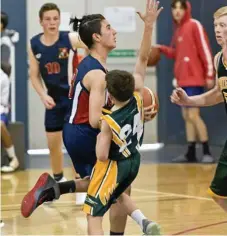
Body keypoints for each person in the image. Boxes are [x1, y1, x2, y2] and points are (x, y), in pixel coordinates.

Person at [21, 1, 162, 235]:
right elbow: (96, 119)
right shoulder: (97, 75)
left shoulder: (95, 64)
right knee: (115, 189)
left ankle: (55, 188)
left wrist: (148, 27)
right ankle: (136, 224)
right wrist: (128, 116)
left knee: (110, 185)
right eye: (109, 28)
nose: (114, 31)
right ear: (97, 37)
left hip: (78, 130)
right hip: (84, 132)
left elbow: (142, 62)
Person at [170, 6, 227, 212]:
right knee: (218, 195)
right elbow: (218, 94)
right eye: (215, 25)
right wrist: (188, 100)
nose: (217, 30)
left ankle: (203, 150)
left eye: (223, 25)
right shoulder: (219, 58)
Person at [29, 3, 85, 183]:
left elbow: (93, 44)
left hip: (72, 98)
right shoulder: (34, 44)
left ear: (60, 20)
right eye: (48, 19)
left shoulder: (70, 38)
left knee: (75, 142)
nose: (52, 23)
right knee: (53, 144)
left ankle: (81, 178)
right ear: (40, 22)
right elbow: (34, 76)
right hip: (52, 99)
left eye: (55, 19)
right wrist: (43, 95)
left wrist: (85, 63)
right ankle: (58, 180)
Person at [158, 0, 215, 163]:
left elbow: (205, 49)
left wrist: (210, 74)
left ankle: (206, 151)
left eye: (180, 8)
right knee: (186, 115)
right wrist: (161, 49)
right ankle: (191, 152)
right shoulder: (179, 30)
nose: (177, 11)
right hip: (183, 80)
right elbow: (178, 54)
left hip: (194, 79)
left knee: (193, 114)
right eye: (174, 8)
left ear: (186, 9)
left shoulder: (194, 25)